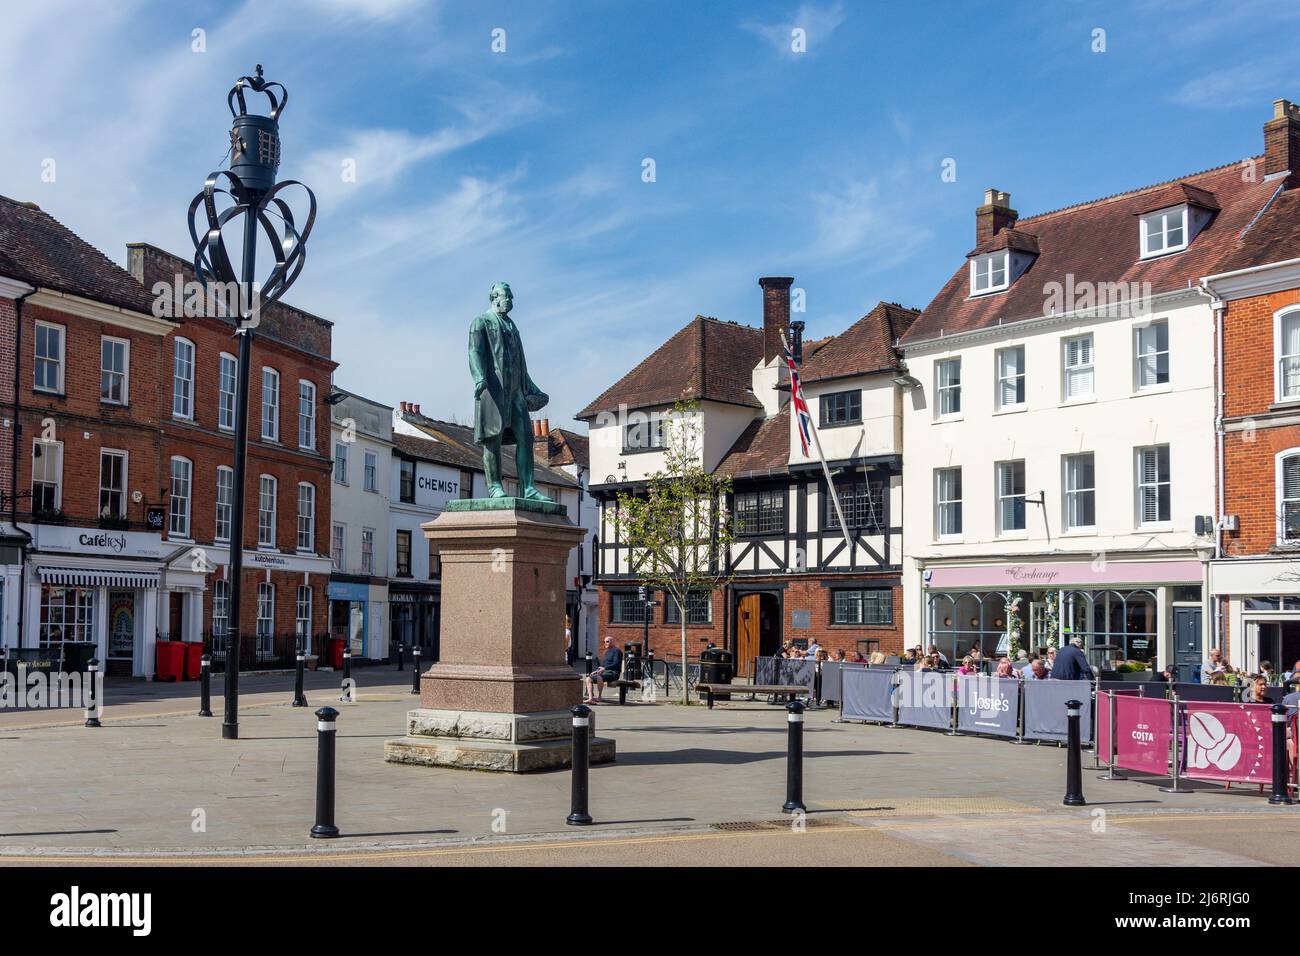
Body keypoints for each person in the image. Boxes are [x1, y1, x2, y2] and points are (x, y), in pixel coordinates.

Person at [582, 636, 623, 703]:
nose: (605, 643)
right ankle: (591, 698)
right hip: (605, 672)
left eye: (607, 641)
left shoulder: (617, 651)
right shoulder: (606, 652)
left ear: (612, 642)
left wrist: (604, 669)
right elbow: (603, 665)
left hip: (613, 673)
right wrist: (597, 670)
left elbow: (616, 664)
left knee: (599, 677)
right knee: (588, 679)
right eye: (604, 642)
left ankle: (599, 697)